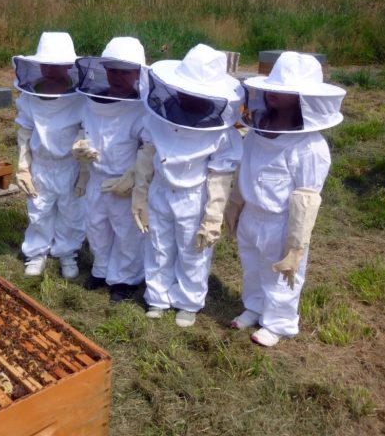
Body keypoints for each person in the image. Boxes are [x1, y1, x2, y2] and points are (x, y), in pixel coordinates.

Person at [225, 51, 346, 347]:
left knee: (282, 274)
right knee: (252, 267)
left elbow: (306, 199)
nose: (274, 95)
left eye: (286, 91)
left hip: (280, 223)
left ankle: (279, 322)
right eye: (274, 88)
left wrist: (296, 245)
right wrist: (234, 206)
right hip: (251, 215)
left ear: (305, 98)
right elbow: (245, 170)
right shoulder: (257, 132)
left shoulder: (310, 147)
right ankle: (255, 307)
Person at [133, 44, 244, 327]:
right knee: (157, 244)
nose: (190, 97)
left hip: (194, 197)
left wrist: (213, 217)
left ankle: (188, 302)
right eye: (186, 91)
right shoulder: (158, 119)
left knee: (193, 250)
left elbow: (220, 176)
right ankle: (157, 298)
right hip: (160, 189)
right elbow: (147, 155)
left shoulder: (220, 134)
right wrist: (139, 195)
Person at [73, 37, 149, 302]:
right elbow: (84, 128)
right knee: (96, 227)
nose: (118, 76)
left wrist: (135, 175)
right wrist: (81, 146)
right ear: (104, 69)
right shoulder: (91, 102)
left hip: (124, 185)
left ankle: (125, 279)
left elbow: (148, 147)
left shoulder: (141, 109)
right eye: (113, 70)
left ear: (138, 73)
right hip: (96, 179)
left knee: (127, 233)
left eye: (125, 71)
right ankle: (101, 269)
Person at [12, 32, 85, 278]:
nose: (52, 70)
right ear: (38, 64)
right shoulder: (29, 97)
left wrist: (84, 167)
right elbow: (25, 132)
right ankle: (36, 252)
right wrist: (23, 167)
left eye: (57, 65)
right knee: (38, 210)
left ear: (69, 65)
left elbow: (85, 130)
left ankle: (67, 252)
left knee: (71, 211)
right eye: (47, 65)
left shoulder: (79, 98)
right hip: (41, 165)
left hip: (70, 165)